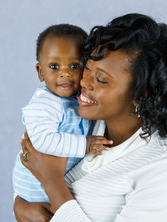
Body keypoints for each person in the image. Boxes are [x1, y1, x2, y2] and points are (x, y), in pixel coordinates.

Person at [14, 13, 167, 222]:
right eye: (87, 68)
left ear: (141, 94)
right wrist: (20, 205)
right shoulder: (80, 120)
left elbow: (46, 172)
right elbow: (30, 171)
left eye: (101, 79)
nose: (84, 82)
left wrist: (52, 182)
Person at [12, 24, 113, 203]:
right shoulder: (45, 103)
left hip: (58, 186)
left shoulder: (79, 98)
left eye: (74, 65)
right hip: (36, 189)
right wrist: (85, 145)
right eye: (54, 66)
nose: (65, 73)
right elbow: (42, 140)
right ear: (40, 72)